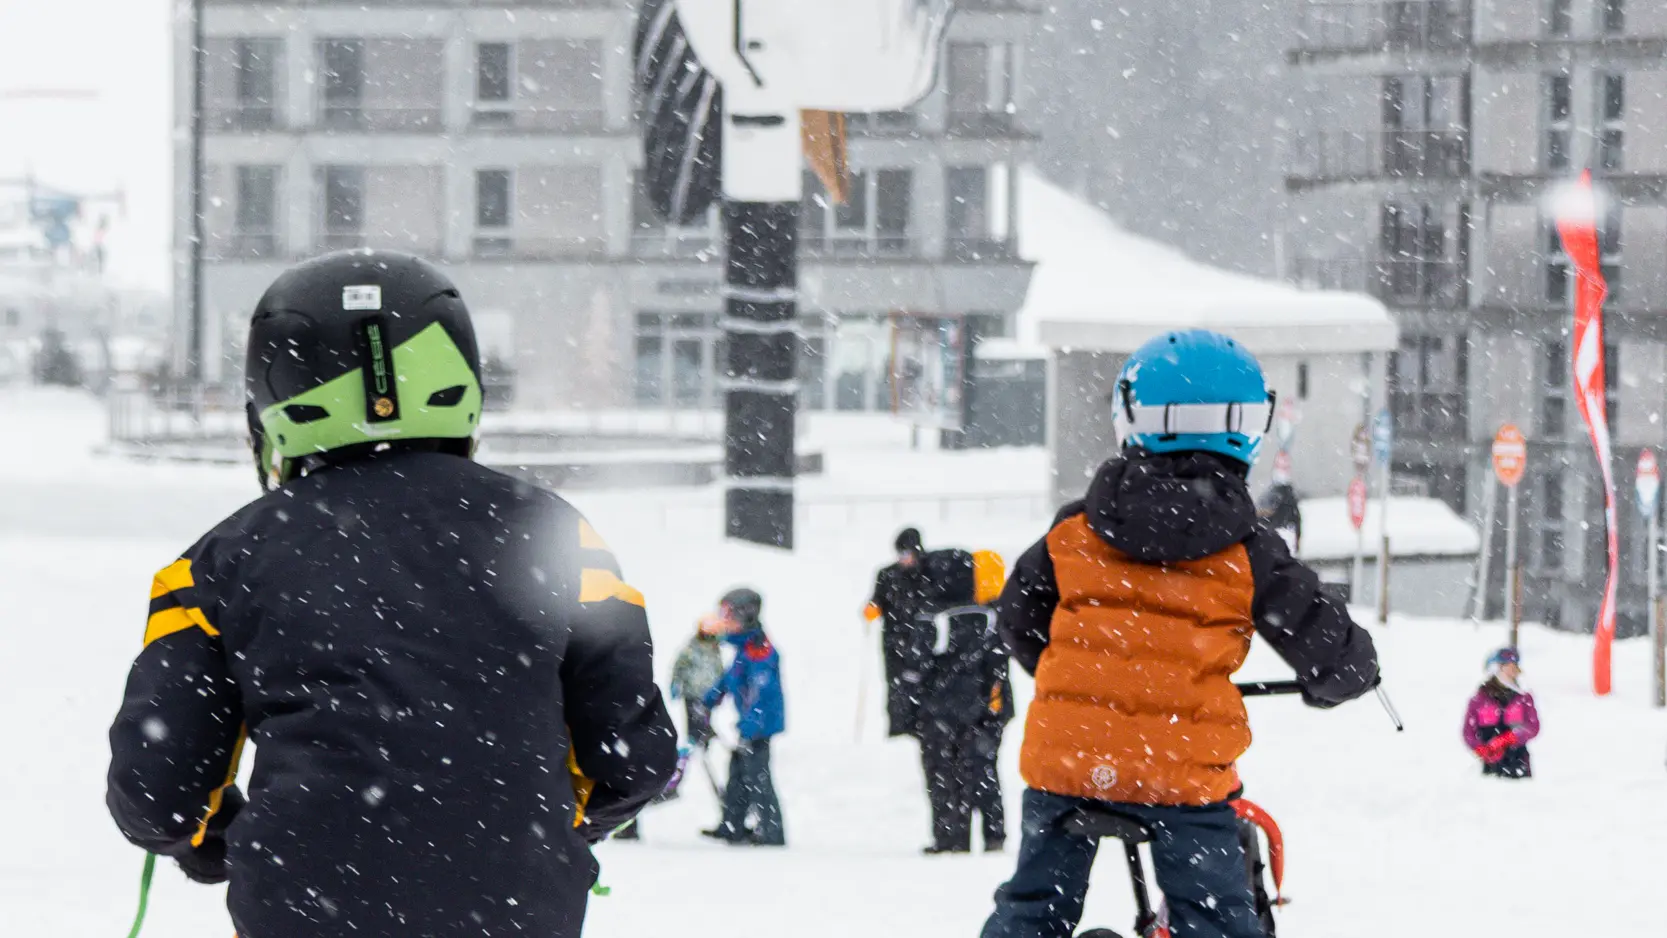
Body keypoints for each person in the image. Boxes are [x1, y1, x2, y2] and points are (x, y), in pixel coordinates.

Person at [105, 251, 679, 938]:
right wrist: (517, 833)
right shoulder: (558, 538)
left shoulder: (219, 564)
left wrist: (220, 840)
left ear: (273, 402)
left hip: (307, 910)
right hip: (515, 913)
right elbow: (632, 759)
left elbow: (157, 794)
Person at [981, 329, 1381, 938]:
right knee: (1217, 921)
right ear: (1247, 426)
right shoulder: (1248, 550)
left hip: (1066, 760)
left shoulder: (1074, 531)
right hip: (1179, 772)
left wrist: (1076, 678)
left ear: (1131, 417)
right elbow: (1331, 650)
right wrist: (1342, 678)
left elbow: (1017, 618)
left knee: (1031, 911)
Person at [916, 594, 1013, 854]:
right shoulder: (993, 622)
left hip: (952, 713)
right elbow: (998, 673)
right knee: (981, 773)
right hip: (979, 712)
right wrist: (992, 712)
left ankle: (953, 837)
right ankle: (990, 836)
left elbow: (921, 667)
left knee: (947, 775)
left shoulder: (939, 619)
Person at [702, 588, 786, 846]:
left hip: (760, 726)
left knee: (757, 777)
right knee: (738, 774)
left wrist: (751, 727)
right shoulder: (746, 648)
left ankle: (772, 832)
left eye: (729, 615)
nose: (725, 621)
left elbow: (762, 695)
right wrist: (710, 698)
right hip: (750, 724)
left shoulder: (759, 650)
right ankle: (732, 826)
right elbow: (732, 677)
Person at [864, 528, 936, 737]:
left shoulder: (929, 574)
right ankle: (898, 730)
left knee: (924, 686)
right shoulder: (888, 575)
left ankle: (922, 730)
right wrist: (872, 608)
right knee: (897, 690)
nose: (903, 559)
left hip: (923, 642)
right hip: (894, 642)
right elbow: (877, 600)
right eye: (900, 554)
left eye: (907, 553)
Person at [1463, 647, 1540, 779]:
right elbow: (1468, 732)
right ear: (1495, 668)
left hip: (1518, 763)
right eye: (1506, 665)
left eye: (1514, 666)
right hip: (1489, 765)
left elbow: (1533, 727)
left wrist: (1509, 738)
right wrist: (1480, 748)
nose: (1512, 670)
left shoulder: (1523, 697)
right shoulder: (1479, 699)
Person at [671, 613, 729, 751]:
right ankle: (692, 744)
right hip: (691, 692)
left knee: (705, 719)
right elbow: (679, 666)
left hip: (708, 693)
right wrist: (675, 683)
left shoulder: (715, 650)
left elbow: (719, 669)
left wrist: (722, 689)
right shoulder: (691, 648)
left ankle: (704, 743)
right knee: (693, 720)